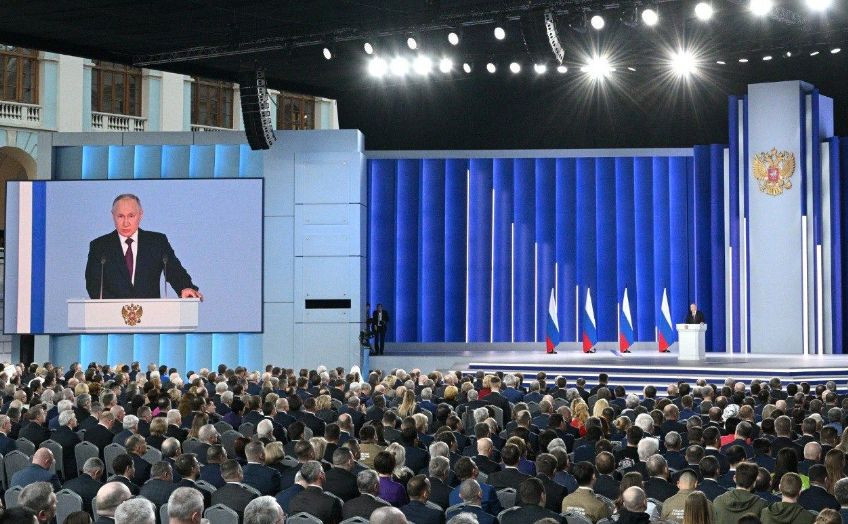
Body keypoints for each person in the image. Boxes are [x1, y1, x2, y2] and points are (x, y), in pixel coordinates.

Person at [85, 193, 202, 300]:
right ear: (113, 216)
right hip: (112, 314)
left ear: (140, 215)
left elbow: (174, 271)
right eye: (120, 216)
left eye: (131, 216)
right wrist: (119, 309)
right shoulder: (99, 246)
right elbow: (93, 285)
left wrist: (185, 287)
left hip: (151, 314)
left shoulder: (157, 242)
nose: (126, 223)